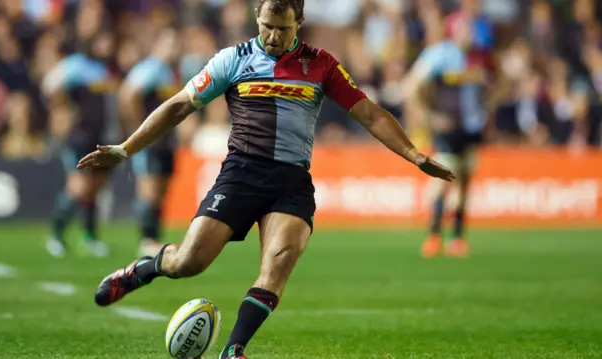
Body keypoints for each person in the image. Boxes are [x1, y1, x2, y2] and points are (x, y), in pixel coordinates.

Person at [77, 1, 454, 358]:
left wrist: (414, 155)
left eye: (283, 29)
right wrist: (126, 148)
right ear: (256, 17)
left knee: (278, 263)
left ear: (299, 25)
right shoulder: (233, 59)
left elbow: (369, 114)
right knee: (189, 262)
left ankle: (234, 349)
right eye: (267, 27)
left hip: (291, 182)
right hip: (241, 173)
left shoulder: (321, 65)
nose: (273, 36)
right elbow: (179, 105)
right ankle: (144, 269)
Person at [402, 13, 490, 258]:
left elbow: (492, 85)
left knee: (465, 180)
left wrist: (487, 107)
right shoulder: (441, 55)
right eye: (465, 29)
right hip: (447, 128)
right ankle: (434, 234)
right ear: (453, 31)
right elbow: (412, 86)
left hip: (471, 128)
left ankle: (458, 238)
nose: (470, 34)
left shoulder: (479, 57)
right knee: (444, 178)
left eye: (471, 29)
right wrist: (430, 117)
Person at [42, 30, 116, 258]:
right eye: (103, 40)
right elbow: (50, 85)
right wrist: (62, 111)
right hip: (80, 136)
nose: (107, 45)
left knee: (95, 187)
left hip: (100, 137)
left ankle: (90, 237)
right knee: (78, 187)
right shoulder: (75, 65)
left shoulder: (103, 69)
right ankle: (55, 235)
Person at [118, 28, 181, 257]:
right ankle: (146, 239)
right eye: (170, 44)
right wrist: (140, 130)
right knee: (149, 189)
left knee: (161, 189)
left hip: (166, 141)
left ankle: (154, 236)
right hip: (153, 140)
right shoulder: (150, 68)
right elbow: (128, 95)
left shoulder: (170, 72)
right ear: (158, 45)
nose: (175, 49)